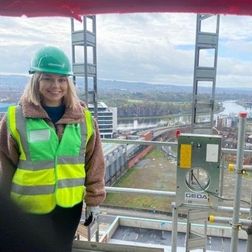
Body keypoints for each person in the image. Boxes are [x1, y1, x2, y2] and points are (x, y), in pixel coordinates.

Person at [0, 46, 106, 251]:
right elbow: (4, 165)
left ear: (68, 83)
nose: (55, 85)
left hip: (68, 208)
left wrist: (94, 200)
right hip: (26, 209)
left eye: (61, 79)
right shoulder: (15, 118)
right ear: (36, 80)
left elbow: (95, 162)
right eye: (47, 78)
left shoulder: (84, 119)